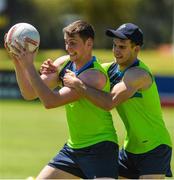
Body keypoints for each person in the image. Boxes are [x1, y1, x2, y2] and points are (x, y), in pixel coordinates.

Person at [5, 20, 119, 179]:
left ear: (89, 43)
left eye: (73, 43)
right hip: (73, 149)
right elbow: (29, 93)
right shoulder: (63, 63)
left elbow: (50, 102)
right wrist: (17, 61)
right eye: (66, 43)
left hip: (100, 149)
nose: (68, 48)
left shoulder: (94, 76)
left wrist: (29, 65)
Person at [63, 23, 173, 179]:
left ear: (136, 49)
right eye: (114, 45)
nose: (116, 51)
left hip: (155, 147)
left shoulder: (138, 74)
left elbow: (109, 102)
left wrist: (78, 84)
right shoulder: (110, 69)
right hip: (130, 149)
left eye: (122, 47)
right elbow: (86, 67)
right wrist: (54, 69)